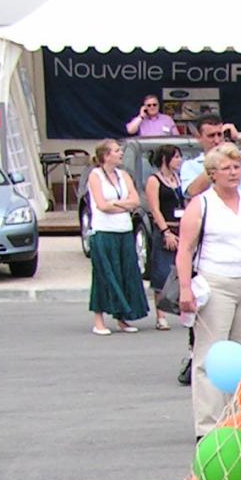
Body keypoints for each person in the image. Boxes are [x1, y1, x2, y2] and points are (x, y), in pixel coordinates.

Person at [177, 143, 241, 438]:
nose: (234, 173)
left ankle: (236, 420)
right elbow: (185, 248)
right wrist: (186, 288)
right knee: (210, 355)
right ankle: (208, 426)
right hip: (216, 282)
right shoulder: (202, 204)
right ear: (212, 174)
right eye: (226, 168)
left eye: (237, 167)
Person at [86, 139, 149, 336]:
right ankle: (99, 320)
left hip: (123, 229)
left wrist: (117, 204)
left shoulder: (123, 175)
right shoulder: (95, 175)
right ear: (106, 156)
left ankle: (122, 317)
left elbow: (136, 201)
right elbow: (101, 205)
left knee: (125, 273)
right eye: (116, 150)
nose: (120, 153)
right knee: (104, 274)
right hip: (103, 231)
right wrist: (124, 205)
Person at [142, 142, 184, 332]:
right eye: (175, 157)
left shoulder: (179, 179)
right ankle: (161, 315)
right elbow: (155, 208)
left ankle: (182, 308)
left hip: (181, 227)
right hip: (166, 227)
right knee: (162, 271)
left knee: (183, 270)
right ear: (166, 159)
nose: (179, 161)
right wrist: (165, 231)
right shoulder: (154, 180)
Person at [181, 114, 241, 197]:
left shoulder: (239, 156)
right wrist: (214, 162)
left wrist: (239, 137)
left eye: (220, 134)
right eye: (211, 136)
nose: (217, 140)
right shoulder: (190, 165)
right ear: (199, 138)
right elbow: (192, 191)